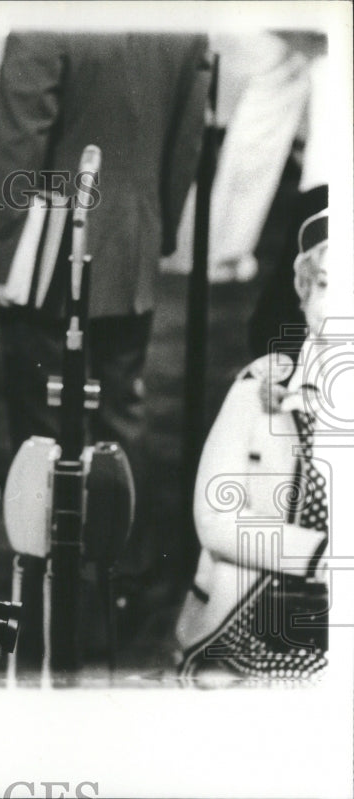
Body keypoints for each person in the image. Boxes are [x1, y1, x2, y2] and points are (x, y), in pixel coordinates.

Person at [0, 32, 210, 664]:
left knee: (43, 428)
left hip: (49, 254)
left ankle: (49, 580)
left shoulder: (46, 25)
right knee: (121, 414)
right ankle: (122, 573)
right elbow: (186, 141)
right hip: (131, 239)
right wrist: (153, 226)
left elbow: (18, 144)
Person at [177, 209, 347, 683]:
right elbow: (214, 520)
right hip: (246, 631)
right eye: (327, 285)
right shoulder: (259, 389)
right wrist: (318, 556)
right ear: (305, 291)